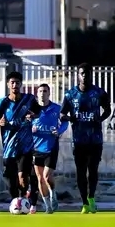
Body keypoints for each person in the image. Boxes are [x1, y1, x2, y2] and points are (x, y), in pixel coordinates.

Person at [61, 63, 111, 213]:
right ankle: (84, 203)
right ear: (78, 75)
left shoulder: (99, 93)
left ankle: (91, 197)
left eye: (87, 73)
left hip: (95, 140)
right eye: (82, 73)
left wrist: (100, 119)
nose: (85, 76)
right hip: (79, 140)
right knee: (81, 172)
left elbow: (108, 109)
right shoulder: (70, 95)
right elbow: (62, 114)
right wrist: (70, 118)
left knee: (93, 170)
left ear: (91, 74)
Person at [0, 71, 39, 208]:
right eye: (12, 82)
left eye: (17, 82)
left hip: (25, 146)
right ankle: (15, 201)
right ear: (8, 84)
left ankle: (23, 198)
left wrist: (33, 116)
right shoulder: (2, 103)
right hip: (9, 148)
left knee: (23, 177)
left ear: (21, 84)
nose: (14, 85)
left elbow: (38, 112)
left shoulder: (29, 99)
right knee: (12, 182)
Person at [31, 82, 68, 213]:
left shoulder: (56, 108)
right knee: (40, 178)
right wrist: (31, 128)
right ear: (37, 94)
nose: (42, 93)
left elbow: (65, 122)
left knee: (47, 176)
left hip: (51, 146)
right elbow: (25, 122)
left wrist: (59, 131)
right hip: (36, 147)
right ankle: (47, 205)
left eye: (45, 91)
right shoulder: (32, 109)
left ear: (49, 93)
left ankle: (53, 193)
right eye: (40, 91)